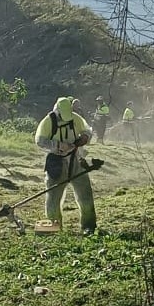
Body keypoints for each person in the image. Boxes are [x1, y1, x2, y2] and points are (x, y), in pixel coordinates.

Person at [35, 96, 97, 234]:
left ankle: (89, 226)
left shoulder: (75, 118)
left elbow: (87, 130)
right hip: (56, 162)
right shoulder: (48, 121)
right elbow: (39, 140)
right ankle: (54, 228)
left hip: (76, 160)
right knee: (53, 198)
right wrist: (57, 145)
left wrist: (85, 137)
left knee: (85, 194)